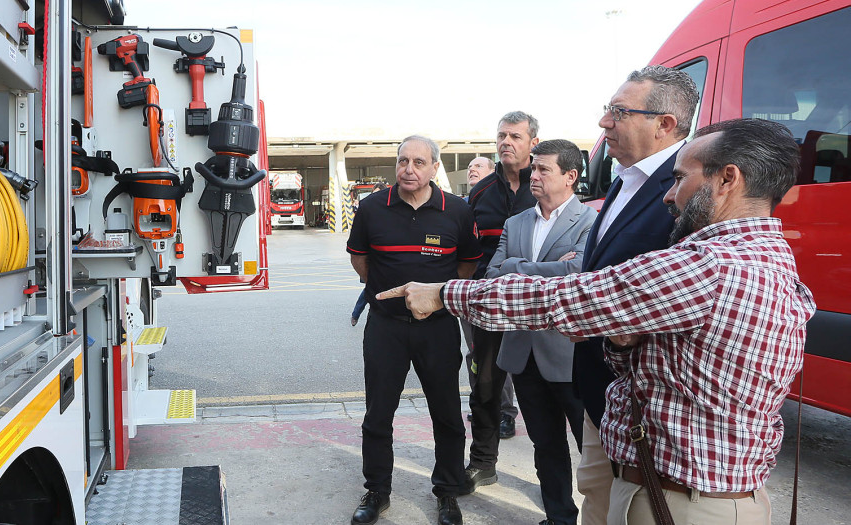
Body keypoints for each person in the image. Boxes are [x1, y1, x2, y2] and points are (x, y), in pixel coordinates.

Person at [378, 117, 813, 525]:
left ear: (727, 179)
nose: (667, 195)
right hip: (701, 489)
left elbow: (566, 296)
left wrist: (443, 293)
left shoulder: (709, 267)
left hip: (683, 501)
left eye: (680, 178)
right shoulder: (766, 253)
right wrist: (625, 342)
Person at [574, 65, 699, 525]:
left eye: (619, 112)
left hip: (649, 409)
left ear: (664, 124)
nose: (604, 122)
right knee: (597, 501)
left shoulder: (689, 188)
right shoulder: (625, 179)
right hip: (601, 393)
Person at [347, 135, 482, 525]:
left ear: (435, 167)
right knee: (378, 414)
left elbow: (467, 266)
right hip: (385, 328)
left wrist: (434, 298)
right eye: (403, 161)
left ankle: (448, 492)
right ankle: (377, 490)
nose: (409, 169)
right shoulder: (372, 208)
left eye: (419, 162)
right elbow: (360, 260)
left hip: (437, 329)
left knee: (447, 414)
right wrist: (388, 292)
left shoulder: (457, 211)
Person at [485, 139, 595, 525]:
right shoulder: (515, 223)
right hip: (522, 353)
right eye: (533, 168)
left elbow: (578, 273)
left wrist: (517, 268)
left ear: (570, 176)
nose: (534, 175)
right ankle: (559, 517)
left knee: (592, 449)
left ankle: (601, 517)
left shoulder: (590, 221)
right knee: (545, 445)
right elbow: (492, 276)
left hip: (570, 354)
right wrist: (542, 268)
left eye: (543, 169)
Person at [464, 111, 539, 487]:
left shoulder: (544, 185)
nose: (506, 142)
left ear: (533, 143)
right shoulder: (480, 193)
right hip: (488, 306)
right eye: (501, 136)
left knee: (540, 394)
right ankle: (482, 463)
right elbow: (466, 248)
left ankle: (553, 485)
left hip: (536, 307)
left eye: (515, 136)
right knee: (485, 388)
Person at [351, 182, 390, 326]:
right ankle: (356, 314)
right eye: (374, 193)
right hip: (370, 258)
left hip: (384, 259)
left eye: (378, 193)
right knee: (370, 288)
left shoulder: (390, 212)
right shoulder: (367, 210)